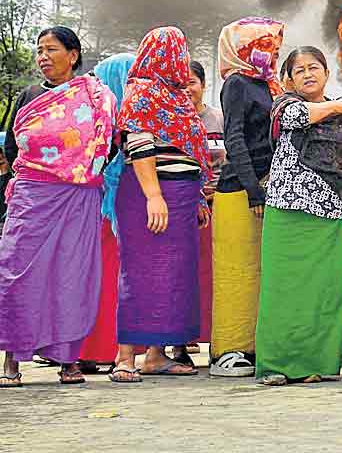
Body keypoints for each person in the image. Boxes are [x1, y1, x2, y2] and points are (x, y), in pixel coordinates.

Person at [0, 26, 114, 387]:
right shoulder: (30, 96)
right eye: (39, 51)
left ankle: (68, 360)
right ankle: (12, 359)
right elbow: (11, 150)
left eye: (51, 50)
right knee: (17, 271)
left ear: (74, 55)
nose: (43, 57)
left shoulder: (95, 97)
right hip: (31, 197)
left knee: (71, 275)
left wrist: (77, 171)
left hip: (78, 196)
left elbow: (106, 146)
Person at [255, 47, 342, 386]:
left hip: (330, 212)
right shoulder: (285, 106)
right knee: (282, 289)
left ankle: (314, 363)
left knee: (322, 290)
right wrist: (336, 105)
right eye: (298, 70)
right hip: (287, 211)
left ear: (327, 72)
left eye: (313, 67)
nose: (307, 74)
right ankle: (275, 364)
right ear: (288, 79)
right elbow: (298, 118)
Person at [111, 27, 211, 382]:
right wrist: (154, 195)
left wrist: (197, 194)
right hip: (149, 192)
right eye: (177, 52)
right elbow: (139, 145)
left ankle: (155, 355)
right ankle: (125, 357)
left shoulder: (178, 97)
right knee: (140, 272)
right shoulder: (142, 91)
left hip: (182, 196)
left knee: (173, 275)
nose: (181, 60)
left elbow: (192, 151)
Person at [211, 17, 285, 378]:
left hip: (267, 188)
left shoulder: (269, 85)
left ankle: (254, 345)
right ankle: (228, 349)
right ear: (242, 50)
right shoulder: (237, 83)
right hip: (240, 190)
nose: (270, 52)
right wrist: (253, 188)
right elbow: (234, 138)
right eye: (264, 45)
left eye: (273, 46)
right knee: (236, 271)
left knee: (259, 271)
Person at [78, 54, 134, 371]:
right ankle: (103, 349)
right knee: (111, 279)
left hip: (99, 210)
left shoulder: (96, 117)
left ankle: (93, 349)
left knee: (101, 278)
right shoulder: (115, 118)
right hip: (112, 210)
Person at [168, 60, 223, 368]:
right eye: (179, 83)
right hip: (181, 209)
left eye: (191, 82)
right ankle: (178, 344)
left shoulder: (218, 118)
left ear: (203, 85)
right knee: (181, 277)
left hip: (218, 208)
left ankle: (220, 340)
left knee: (214, 277)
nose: (186, 89)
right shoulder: (168, 121)